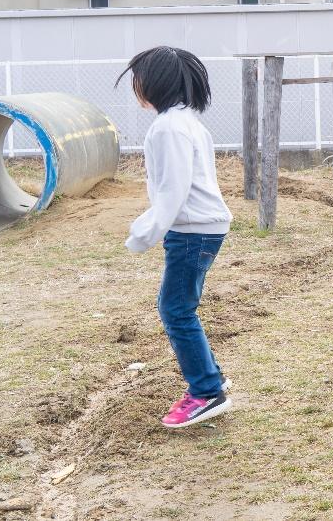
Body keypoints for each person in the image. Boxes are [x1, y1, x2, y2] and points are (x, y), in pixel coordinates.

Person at [119, 47, 234, 428]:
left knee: (176, 310)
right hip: (200, 228)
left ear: (152, 83)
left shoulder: (169, 127)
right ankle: (210, 377)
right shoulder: (186, 121)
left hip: (191, 231)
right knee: (180, 307)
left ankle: (205, 390)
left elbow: (174, 190)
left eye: (137, 78)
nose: (135, 86)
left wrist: (144, 232)